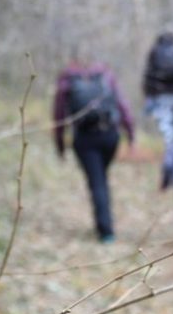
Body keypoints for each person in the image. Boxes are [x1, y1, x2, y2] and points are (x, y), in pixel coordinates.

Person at [53, 57, 135, 243]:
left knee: (97, 181)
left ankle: (105, 230)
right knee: (101, 179)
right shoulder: (106, 75)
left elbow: (58, 114)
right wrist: (130, 133)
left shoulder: (67, 79)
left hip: (84, 138)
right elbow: (123, 105)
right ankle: (105, 223)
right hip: (110, 136)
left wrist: (60, 145)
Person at [142, 32, 173, 146]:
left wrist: (149, 95)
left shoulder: (154, 52)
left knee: (167, 128)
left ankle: (172, 155)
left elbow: (148, 75)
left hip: (162, 95)